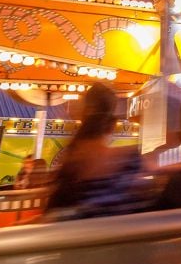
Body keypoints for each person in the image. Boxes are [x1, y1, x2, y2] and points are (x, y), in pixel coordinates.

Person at [45, 83, 154, 220]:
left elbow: (55, 214)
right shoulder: (130, 160)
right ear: (112, 125)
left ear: (82, 118)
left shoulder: (71, 163)